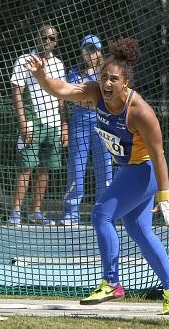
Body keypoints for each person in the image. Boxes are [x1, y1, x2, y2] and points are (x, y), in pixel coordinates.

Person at [25, 37, 169, 315]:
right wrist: (42, 77)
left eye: (114, 79)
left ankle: (112, 283)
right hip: (128, 170)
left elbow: (159, 155)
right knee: (139, 230)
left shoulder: (140, 112)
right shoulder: (96, 93)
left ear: (125, 82)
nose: (107, 83)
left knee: (101, 214)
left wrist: (165, 196)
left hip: (144, 172)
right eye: (104, 77)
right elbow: (63, 89)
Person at [7, 23, 67, 226]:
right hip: (33, 122)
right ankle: (15, 212)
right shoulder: (25, 60)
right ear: (37, 38)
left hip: (54, 124)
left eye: (52, 39)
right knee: (26, 166)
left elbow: (62, 96)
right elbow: (16, 92)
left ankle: (36, 212)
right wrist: (23, 122)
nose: (48, 42)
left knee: (45, 168)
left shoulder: (59, 64)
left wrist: (64, 125)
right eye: (45, 38)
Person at [60, 34, 113, 227]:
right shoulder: (75, 72)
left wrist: (89, 99)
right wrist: (91, 99)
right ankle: (71, 214)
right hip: (79, 122)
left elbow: (105, 98)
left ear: (100, 52)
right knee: (76, 167)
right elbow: (74, 98)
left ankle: (104, 213)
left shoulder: (106, 73)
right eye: (87, 49)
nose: (90, 53)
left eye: (94, 49)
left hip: (102, 122)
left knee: (105, 169)